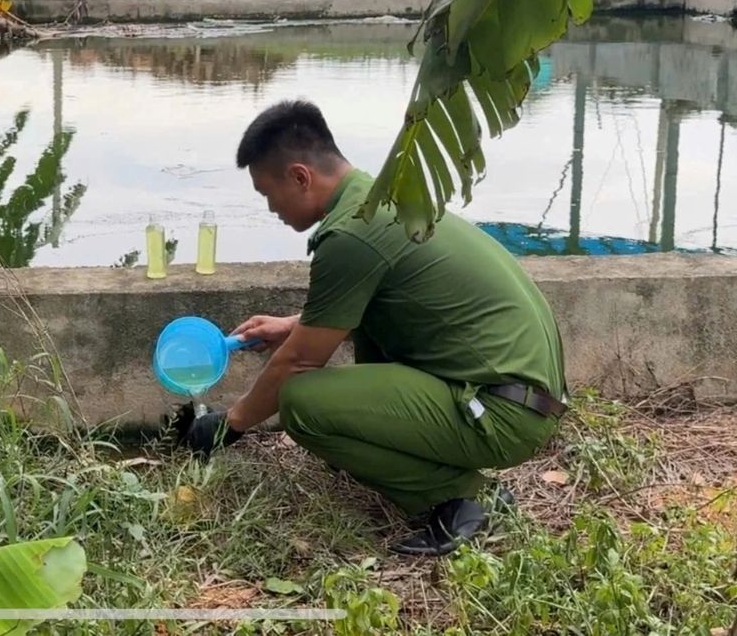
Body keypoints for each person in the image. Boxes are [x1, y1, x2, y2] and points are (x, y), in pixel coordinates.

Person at [177, 100, 568, 556]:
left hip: (503, 414)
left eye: (268, 194)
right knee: (350, 356)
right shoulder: (383, 197)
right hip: (525, 395)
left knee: (302, 402)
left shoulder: (351, 235)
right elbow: (386, 300)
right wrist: (293, 325)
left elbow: (301, 362)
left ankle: (464, 499)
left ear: (300, 177)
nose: (270, 210)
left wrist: (230, 425)